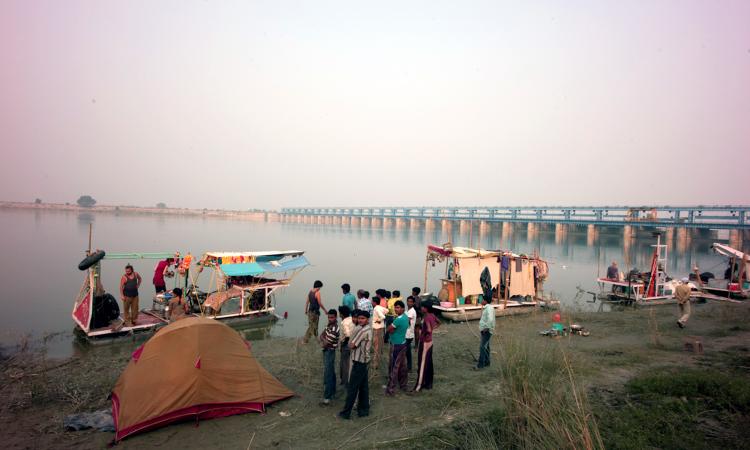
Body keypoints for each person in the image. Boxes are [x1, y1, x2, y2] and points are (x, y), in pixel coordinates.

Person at [338, 310, 372, 420]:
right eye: (359, 318)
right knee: (363, 388)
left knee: (352, 388)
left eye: (363, 318)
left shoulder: (363, 330)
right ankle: (364, 411)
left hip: (359, 362)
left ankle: (346, 412)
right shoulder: (367, 329)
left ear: (367, 320)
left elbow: (351, 345)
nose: (360, 320)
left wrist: (350, 342)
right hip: (365, 362)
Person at [386, 301, 409, 396]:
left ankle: (390, 389)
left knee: (394, 367)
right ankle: (403, 385)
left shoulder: (398, 319)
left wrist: (391, 330)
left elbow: (388, 329)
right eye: (395, 307)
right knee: (403, 366)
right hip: (403, 343)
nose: (396, 309)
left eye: (398, 307)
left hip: (396, 344)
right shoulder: (406, 317)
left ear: (403, 308)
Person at [414, 303, 439, 391]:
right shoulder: (432, 315)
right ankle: (429, 383)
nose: (421, 308)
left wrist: (424, 333)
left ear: (426, 309)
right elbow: (439, 323)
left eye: (423, 307)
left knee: (422, 363)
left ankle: (419, 385)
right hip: (430, 342)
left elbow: (428, 329)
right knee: (429, 362)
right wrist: (432, 329)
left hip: (425, 342)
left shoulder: (427, 317)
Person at [319, 309, 340, 405]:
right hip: (327, 351)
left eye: (332, 317)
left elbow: (326, 343)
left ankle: (327, 396)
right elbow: (321, 335)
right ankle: (332, 392)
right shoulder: (329, 325)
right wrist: (324, 340)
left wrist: (324, 340)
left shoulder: (335, 328)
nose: (330, 319)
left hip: (330, 352)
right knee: (330, 372)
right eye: (329, 317)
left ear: (336, 317)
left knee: (328, 373)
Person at [476, 295, 495, 369]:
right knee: (486, 347)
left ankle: (480, 365)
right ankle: (487, 362)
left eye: (482, 299)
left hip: (487, 331)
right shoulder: (487, 308)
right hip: (485, 330)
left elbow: (490, 319)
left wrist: (486, 328)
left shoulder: (489, 308)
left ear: (485, 301)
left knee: (482, 347)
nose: (481, 301)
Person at [339, 306, 355, 386]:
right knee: (350, 363)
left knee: (345, 364)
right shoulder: (352, 319)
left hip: (346, 345)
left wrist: (345, 343)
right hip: (353, 344)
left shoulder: (344, 322)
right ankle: (348, 380)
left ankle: (345, 382)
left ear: (341, 314)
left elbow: (348, 334)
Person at [371, 296, 388, 370]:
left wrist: (378, 320)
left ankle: (375, 364)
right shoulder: (380, 307)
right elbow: (387, 310)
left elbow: (383, 317)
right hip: (381, 328)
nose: (371, 303)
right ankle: (377, 362)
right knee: (379, 346)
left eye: (372, 301)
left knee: (376, 346)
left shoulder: (376, 308)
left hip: (377, 328)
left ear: (374, 302)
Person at [405, 296, 417, 372]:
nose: (409, 303)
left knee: (406, 351)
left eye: (411, 302)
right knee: (407, 351)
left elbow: (406, 321)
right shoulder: (407, 311)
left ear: (413, 303)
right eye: (408, 301)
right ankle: (408, 367)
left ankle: (409, 367)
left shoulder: (412, 311)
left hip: (409, 334)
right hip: (406, 333)